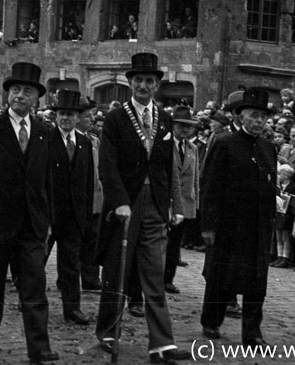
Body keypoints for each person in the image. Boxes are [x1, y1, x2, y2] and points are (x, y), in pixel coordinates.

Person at [95, 52, 190, 364]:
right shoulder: (116, 117)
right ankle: (108, 331)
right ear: (130, 83)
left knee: (154, 273)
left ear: (157, 85)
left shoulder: (165, 118)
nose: (143, 86)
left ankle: (161, 343)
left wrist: (175, 205)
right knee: (117, 270)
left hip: (155, 207)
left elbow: (168, 167)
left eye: (149, 81)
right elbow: (107, 166)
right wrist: (120, 201)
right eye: (138, 80)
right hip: (125, 204)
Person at [0, 62, 59, 365]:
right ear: (7, 94)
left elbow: (48, 180)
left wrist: (47, 220)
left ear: (37, 98)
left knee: (35, 288)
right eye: (15, 90)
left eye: (27, 91)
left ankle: (40, 348)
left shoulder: (44, 132)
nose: (19, 96)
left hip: (32, 225)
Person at [199, 88, 277, 347]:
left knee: (257, 281)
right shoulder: (224, 143)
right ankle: (211, 320)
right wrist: (208, 225)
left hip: (258, 226)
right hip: (228, 224)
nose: (259, 121)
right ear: (240, 116)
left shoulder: (268, 148)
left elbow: (271, 185)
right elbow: (209, 187)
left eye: (263, 117)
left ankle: (252, 332)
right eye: (254, 116)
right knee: (222, 275)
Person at [45, 90, 95, 325]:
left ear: (78, 117)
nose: (65, 118)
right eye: (62, 114)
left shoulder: (85, 143)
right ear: (56, 116)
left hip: (73, 215)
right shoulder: (45, 139)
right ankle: (32, 303)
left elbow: (87, 183)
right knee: (37, 260)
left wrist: (84, 216)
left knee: (70, 263)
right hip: (48, 213)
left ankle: (72, 308)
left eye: (71, 114)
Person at [164, 105, 200, 295]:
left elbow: (195, 178)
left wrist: (196, 203)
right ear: (173, 126)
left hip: (185, 202)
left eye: (189, 126)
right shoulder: (164, 145)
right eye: (181, 126)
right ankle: (157, 277)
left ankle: (168, 278)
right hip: (167, 202)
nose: (185, 130)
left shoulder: (192, 148)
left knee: (175, 244)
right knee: (163, 242)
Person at [77, 97, 103, 291]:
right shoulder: (71, 139)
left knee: (92, 240)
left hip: (94, 200)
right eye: (88, 115)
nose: (92, 119)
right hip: (75, 202)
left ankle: (91, 278)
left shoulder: (94, 141)